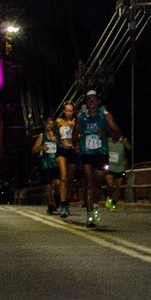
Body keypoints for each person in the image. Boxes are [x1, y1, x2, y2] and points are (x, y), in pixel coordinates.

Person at [73, 89, 122, 228]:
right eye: (88, 100)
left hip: (101, 153)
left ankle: (95, 207)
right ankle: (90, 216)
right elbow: (75, 133)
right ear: (86, 103)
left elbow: (117, 133)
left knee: (97, 184)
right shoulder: (81, 116)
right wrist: (76, 145)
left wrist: (106, 133)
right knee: (88, 183)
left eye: (94, 99)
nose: (91, 102)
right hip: (87, 153)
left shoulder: (105, 115)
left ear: (98, 102)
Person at [52, 100, 78, 218]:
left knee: (70, 179)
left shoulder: (76, 122)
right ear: (64, 111)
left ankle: (67, 203)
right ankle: (62, 205)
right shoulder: (59, 121)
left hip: (72, 150)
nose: (69, 113)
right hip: (62, 149)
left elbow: (80, 135)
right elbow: (51, 131)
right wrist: (54, 137)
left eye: (71, 111)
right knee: (63, 176)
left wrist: (74, 128)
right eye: (67, 110)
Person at [31, 117, 60, 214]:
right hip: (46, 163)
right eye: (48, 124)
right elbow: (33, 150)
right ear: (45, 126)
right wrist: (41, 147)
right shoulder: (42, 136)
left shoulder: (57, 135)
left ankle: (56, 199)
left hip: (56, 162)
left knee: (57, 184)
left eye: (52, 124)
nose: (50, 126)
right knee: (48, 186)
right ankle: (51, 204)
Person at [103, 134, 127, 210]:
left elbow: (130, 148)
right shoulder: (107, 141)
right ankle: (109, 198)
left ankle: (113, 203)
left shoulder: (122, 141)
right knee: (110, 185)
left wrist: (125, 142)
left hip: (120, 167)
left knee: (118, 187)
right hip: (110, 167)